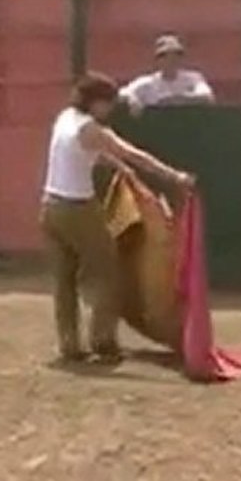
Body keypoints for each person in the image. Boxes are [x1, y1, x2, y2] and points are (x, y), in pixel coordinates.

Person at [40, 71, 195, 364]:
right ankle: (103, 340)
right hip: (77, 209)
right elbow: (134, 154)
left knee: (64, 279)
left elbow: (87, 153)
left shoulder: (66, 118)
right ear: (96, 102)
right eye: (107, 103)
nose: (110, 109)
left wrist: (117, 166)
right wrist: (174, 176)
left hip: (50, 207)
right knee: (109, 270)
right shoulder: (92, 130)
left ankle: (69, 345)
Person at [119, 34, 215, 114]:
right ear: (158, 60)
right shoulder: (147, 83)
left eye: (176, 55)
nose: (171, 60)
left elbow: (207, 96)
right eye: (166, 56)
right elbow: (122, 94)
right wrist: (132, 100)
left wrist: (178, 99)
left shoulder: (193, 78)